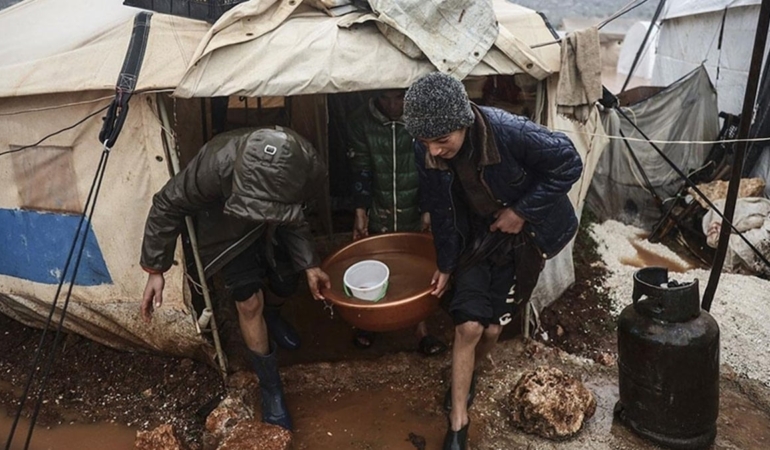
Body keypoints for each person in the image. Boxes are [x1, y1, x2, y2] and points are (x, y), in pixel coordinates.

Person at [403, 72, 583, 450]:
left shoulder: (510, 131)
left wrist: (521, 211)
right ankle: (458, 419)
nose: (433, 151)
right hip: (473, 238)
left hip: (520, 239)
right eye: (425, 142)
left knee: (493, 330)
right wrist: (447, 262)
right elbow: (440, 207)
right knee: (468, 326)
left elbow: (569, 161)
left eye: (442, 140)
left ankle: (471, 374)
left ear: (464, 123)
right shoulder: (428, 150)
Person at [139, 126, 331, 432]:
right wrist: (155, 268)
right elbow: (167, 203)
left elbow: (296, 214)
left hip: (278, 219)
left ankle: (274, 316)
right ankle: (271, 387)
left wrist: (309, 264)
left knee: (285, 282)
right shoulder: (215, 163)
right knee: (248, 301)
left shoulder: (309, 167)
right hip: (226, 225)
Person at [346, 89, 448, 356]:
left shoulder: (422, 119)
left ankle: (421, 330)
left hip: (414, 202)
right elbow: (361, 167)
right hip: (380, 203)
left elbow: (431, 167)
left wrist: (427, 209)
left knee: (418, 262)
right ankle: (370, 322)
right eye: (385, 98)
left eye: (399, 97)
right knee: (375, 260)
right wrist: (361, 208)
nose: (392, 105)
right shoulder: (360, 121)